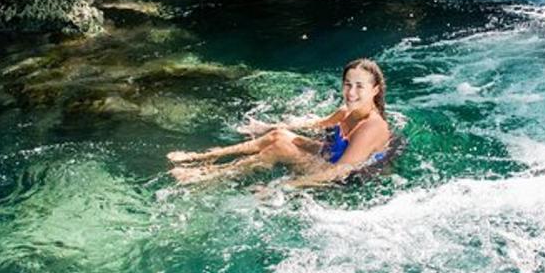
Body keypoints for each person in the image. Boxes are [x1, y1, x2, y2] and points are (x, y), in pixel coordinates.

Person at [167, 58, 392, 186]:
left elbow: (339, 172)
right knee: (279, 135)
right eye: (347, 84)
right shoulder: (347, 111)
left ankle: (211, 175)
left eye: (359, 86)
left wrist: (283, 187)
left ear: (375, 90)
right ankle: (204, 156)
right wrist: (271, 127)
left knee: (280, 147)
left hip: (344, 180)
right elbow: (317, 124)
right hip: (331, 157)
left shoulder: (373, 126)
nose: (351, 92)